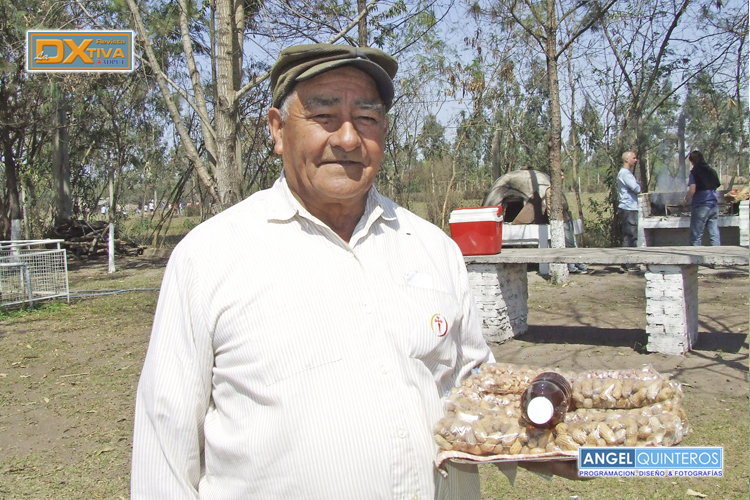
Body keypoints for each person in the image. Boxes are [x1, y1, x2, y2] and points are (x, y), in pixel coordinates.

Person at [130, 44, 578, 500]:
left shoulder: (433, 249)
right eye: (324, 114)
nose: (347, 138)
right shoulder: (209, 257)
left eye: (366, 118)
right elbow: (163, 452)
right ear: (278, 130)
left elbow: (476, 391)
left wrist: (567, 436)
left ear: (383, 130)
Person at [684, 150, 721, 246]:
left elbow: (692, 190)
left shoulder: (694, 172)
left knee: (696, 236)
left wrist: (685, 200)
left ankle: (696, 259)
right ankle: (718, 257)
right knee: (714, 235)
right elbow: (716, 185)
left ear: (692, 161)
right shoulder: (712, 171)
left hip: (701, 206)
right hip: (713, 206)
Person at [617, 151, 641, 272]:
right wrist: (636, 186)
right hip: (628, 208)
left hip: (631, 207)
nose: (636, 160)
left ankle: (628, 262)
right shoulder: (625, 174)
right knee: (630, 236)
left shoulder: (628, 174)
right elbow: (637, 188)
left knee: (631, 235)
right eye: (634, 158)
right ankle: (628, 263)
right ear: (626, 159)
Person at [561, 172, 588, 274]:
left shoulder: (560, 190)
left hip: (567, 219)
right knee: (570, 244)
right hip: (562, 220)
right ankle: (573, 266)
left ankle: (575, 265)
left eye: (564, 175)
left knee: (571, 243)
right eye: (561, 175)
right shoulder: (553, 191)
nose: (563, 177)